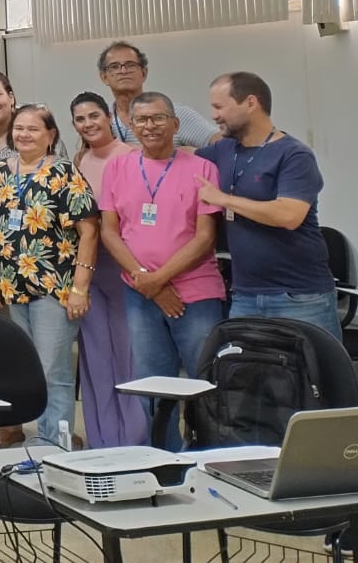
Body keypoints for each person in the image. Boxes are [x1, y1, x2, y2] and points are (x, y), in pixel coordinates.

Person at [98, 92, 224, 451]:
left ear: (175, 124)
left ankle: (203, 457)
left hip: (196, 294)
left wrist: (159, 279)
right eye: (141, 120)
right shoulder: (118, 168)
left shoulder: (202, 168)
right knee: (152, 386)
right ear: (131, 126)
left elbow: (205, 237)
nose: (149, 126)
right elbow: (110, 231)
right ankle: (164, 460)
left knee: (203, 382)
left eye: (157, 118)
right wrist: (147, 281)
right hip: (139, 294)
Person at [197, 72, 340, 339]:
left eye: (219, 107)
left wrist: (224, 199)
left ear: (251, 103)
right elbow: (179, 157)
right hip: (245, 295)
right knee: (250, 377)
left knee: (312, 378)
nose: (214, 116)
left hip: (299, 297)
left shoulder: (293, 154)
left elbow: (288, 215)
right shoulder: (224, 150)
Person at [0, 105, 97, 449]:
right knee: (29, 367)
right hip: (13, 285)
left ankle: (57, 441)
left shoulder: (64, 173)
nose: (24, 134)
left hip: (54, 285)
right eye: (19, 128)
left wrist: (81, 287)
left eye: (33, 129)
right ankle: (44, 432)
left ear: (51, 136)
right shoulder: (1, 173)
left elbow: (89, 231)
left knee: (54, 370)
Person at [68, 92, 149, 450]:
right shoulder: (79, 159)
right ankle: (102, 440)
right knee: (95, 353)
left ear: (109, 118)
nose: (88, 124)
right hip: (87, 265)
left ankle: (134, 438)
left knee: (127, 353)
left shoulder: (133, 155)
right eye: (80, 119)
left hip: (124, 263)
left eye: (94, 116)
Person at [97, 41, 219, 147]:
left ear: (144, 73)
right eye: (114, 67)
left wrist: (191, 155)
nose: (123, 71)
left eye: (130, 65)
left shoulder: (174, 113)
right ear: (104, 77)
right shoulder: (101, 120)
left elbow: (221, 144)